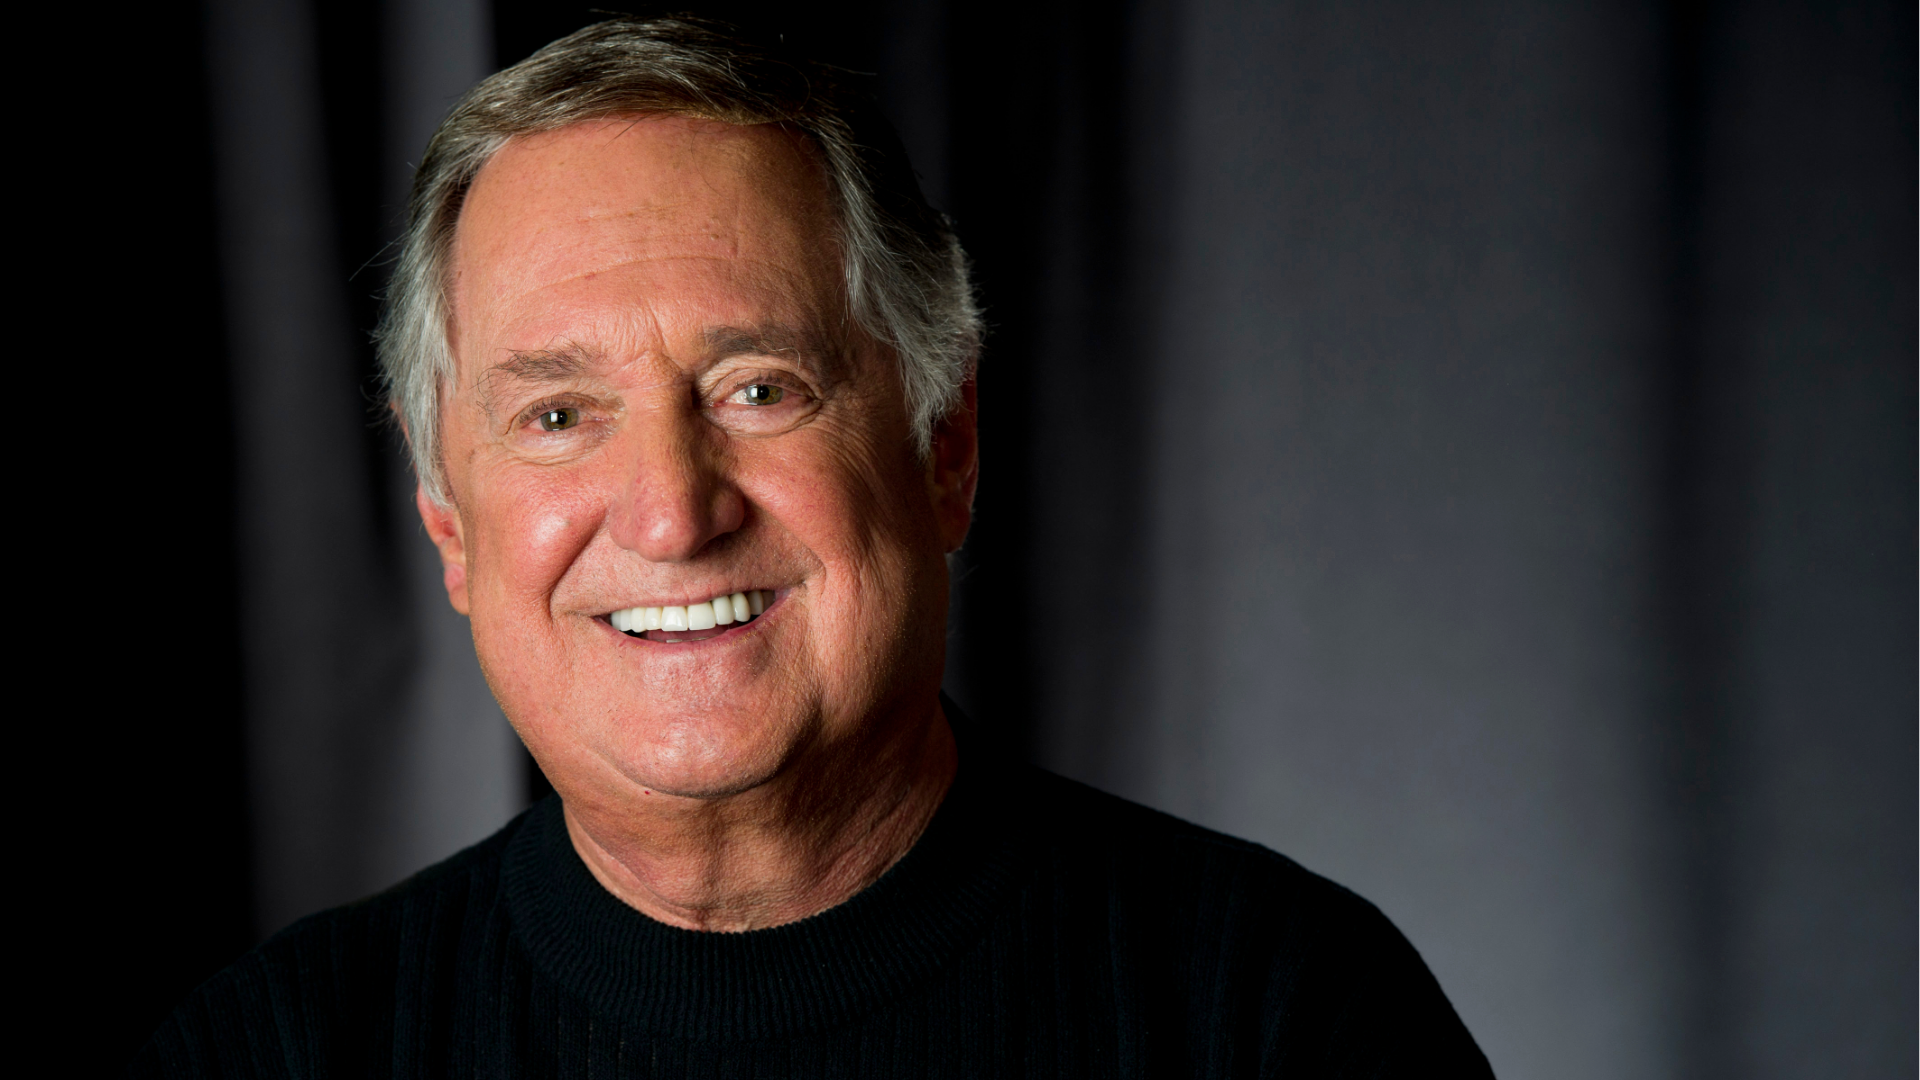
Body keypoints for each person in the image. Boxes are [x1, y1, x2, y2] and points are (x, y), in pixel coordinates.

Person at [136, 17, 1492, 1077]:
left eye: (759, 388)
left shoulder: (1276, 1015)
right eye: (559, 415)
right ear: (453, 531)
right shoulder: (275, 1053)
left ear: (943, 450)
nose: (673, 511)